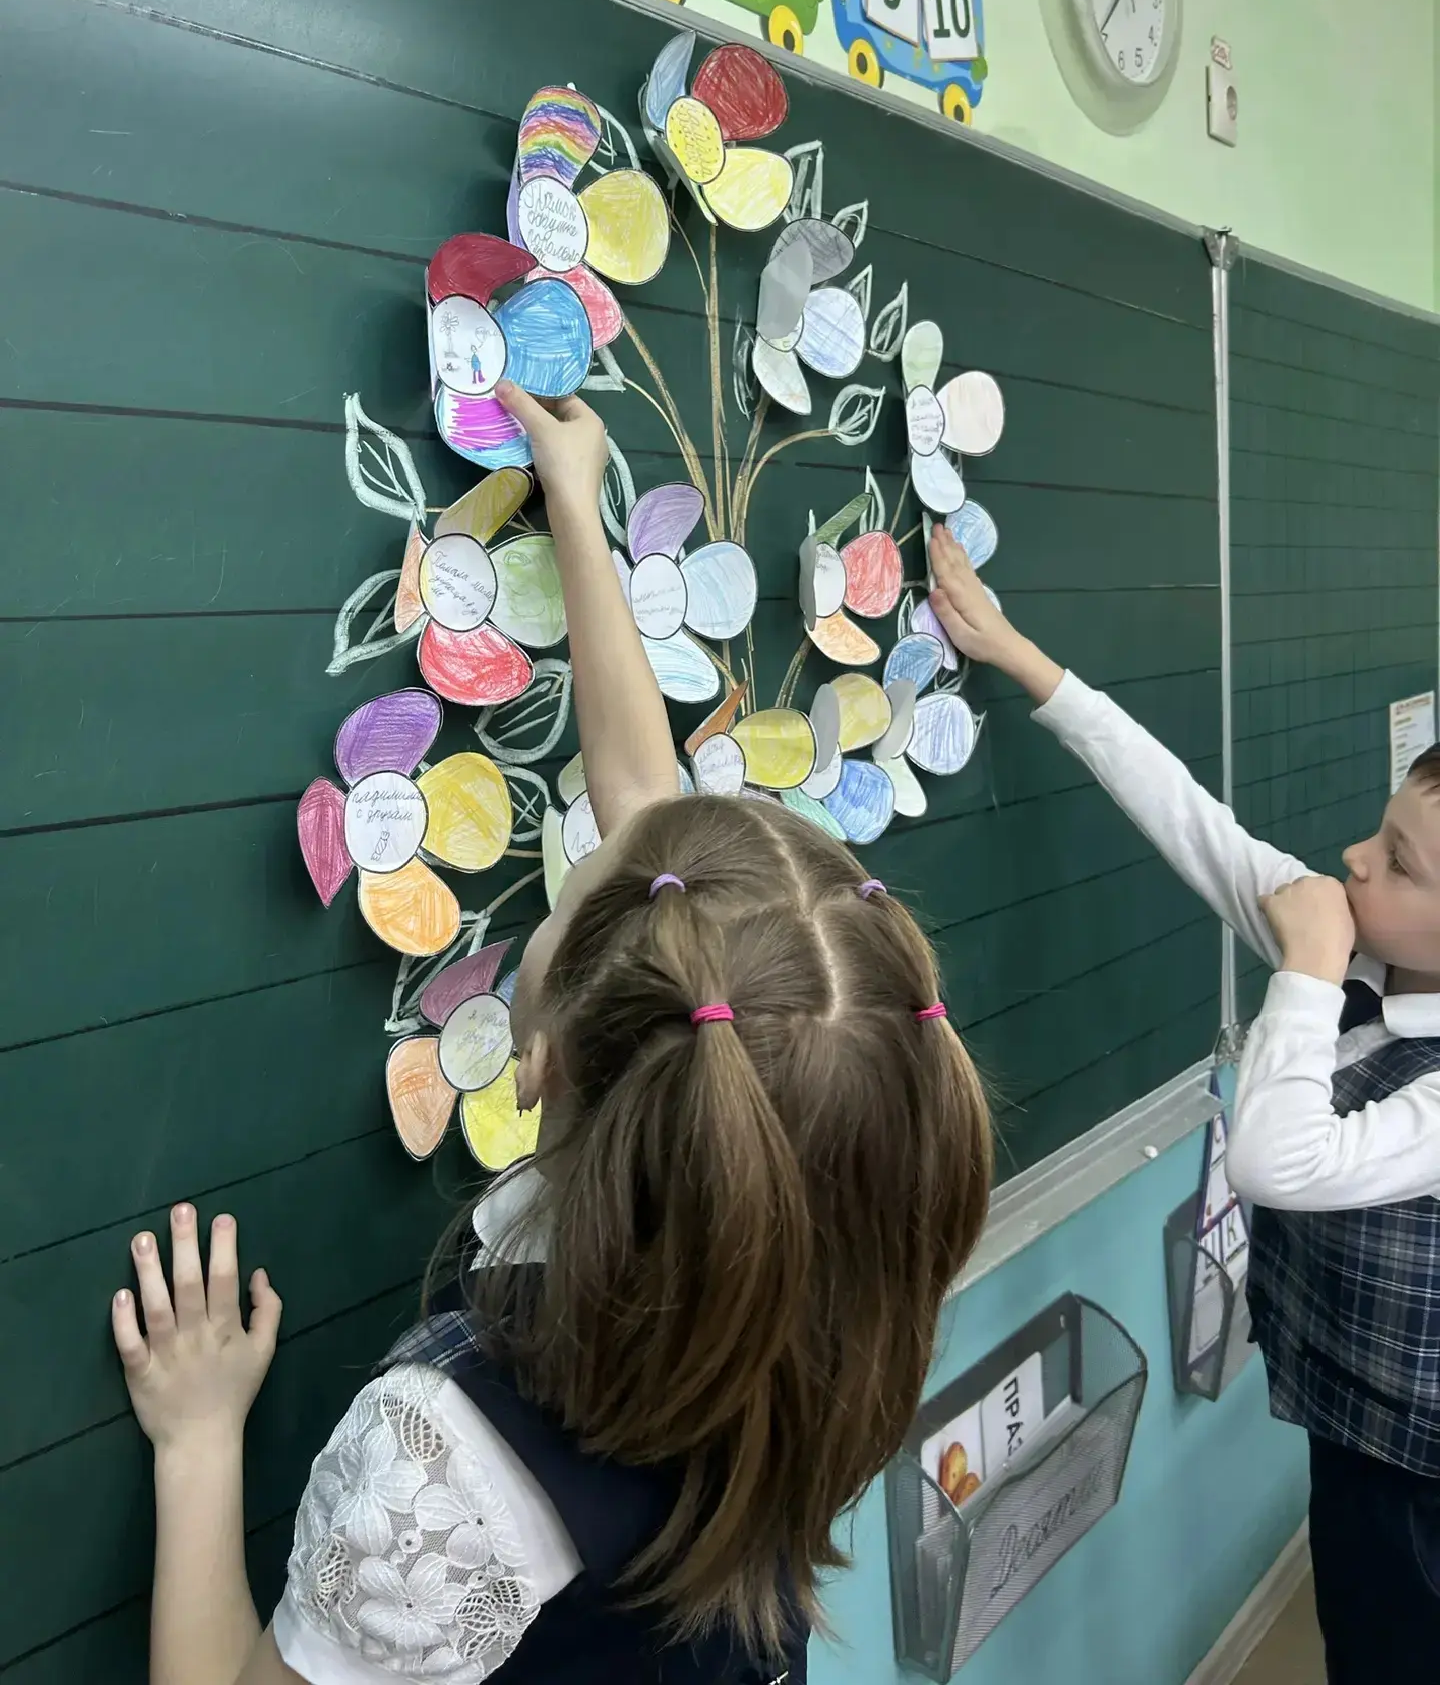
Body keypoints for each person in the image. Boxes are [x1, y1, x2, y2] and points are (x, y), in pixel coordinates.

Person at [110, 381, 994, 1685]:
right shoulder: (829, 1258)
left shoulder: (445, 1473)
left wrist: (196, 1445)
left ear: (540, 1062)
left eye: (577, 890)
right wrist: (576, 506)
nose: (595, 851)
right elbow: (644, 806)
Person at [927, 522, 1440, 1684]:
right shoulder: (1367, 948)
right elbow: (1194, 822)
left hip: (1424, 1481)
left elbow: (1277, 1161)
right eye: (1381, 830)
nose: (1355, 859)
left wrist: (1309, 967)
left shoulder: (1343, 969)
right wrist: (1022, 660)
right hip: (1351, 1427)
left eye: (1400, 864)